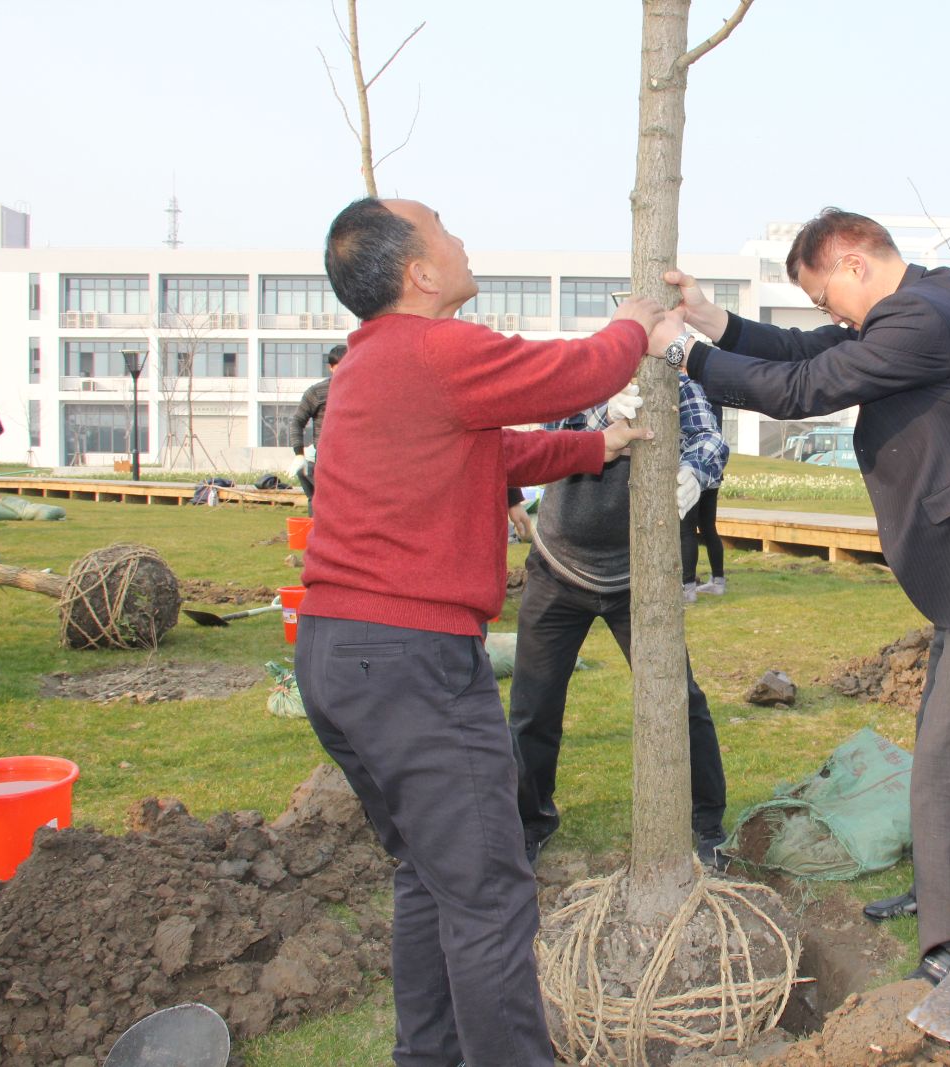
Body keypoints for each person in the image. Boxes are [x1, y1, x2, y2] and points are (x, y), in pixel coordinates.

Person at [294, 196, 681, 1067]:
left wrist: (594, 449)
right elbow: (571, 373)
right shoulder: (435, 348)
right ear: (419, 272)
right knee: (491, 896)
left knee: (432, 874)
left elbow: (489, 454)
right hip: (410, 662)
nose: (462, 239)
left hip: (338, 654)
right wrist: (632, 327)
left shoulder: (372, 364)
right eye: (444, 228)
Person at [663, 208, 950, 984]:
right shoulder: (918, 304)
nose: (830, 315)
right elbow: (805, 351)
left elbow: (804, 387)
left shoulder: (923, 317)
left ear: (854, 264)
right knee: (944, 744)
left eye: (826, 297)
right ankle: (943, 890)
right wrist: (713, 323)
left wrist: (685, 354)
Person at [510, 371, 730, 867]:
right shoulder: (583, 380)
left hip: (638, 580)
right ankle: (528, 823)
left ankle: (706, 824)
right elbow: (552, 434)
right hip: (558, 570)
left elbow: (711, 438)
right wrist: (601, 417)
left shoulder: (678, 386)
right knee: (533, 707)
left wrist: (695, 469)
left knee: (680, 699)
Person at [681, 388, 730, 600]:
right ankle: (718, 581)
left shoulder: (692, 394)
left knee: (687, 530)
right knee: (708, 527)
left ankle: (688, 587)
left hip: (693, 469)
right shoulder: (715, 397)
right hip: (713, 471)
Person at [289, 343, 346, 515]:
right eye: (339, 367)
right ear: (331, 368)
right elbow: (297, 422)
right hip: (324, 460)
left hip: (352, 461)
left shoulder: (363, 391)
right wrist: (299, 454)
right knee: (319, 504)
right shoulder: (317, 392)